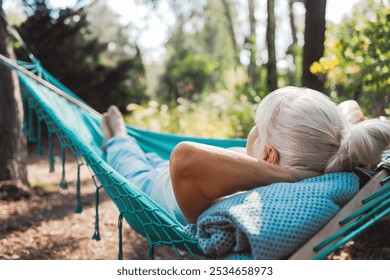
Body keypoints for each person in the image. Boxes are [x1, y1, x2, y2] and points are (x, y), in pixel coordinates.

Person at [101, 87, 390, 225]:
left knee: (129, 157)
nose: (253, 129)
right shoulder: (326, 152)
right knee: (152, 157)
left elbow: (184, 156)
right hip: (162, 169)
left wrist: (290, 175)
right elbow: (350, 107)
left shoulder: (238, 201)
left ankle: (119, 134)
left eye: (257, 126)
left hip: (146, 185)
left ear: (268, 154)